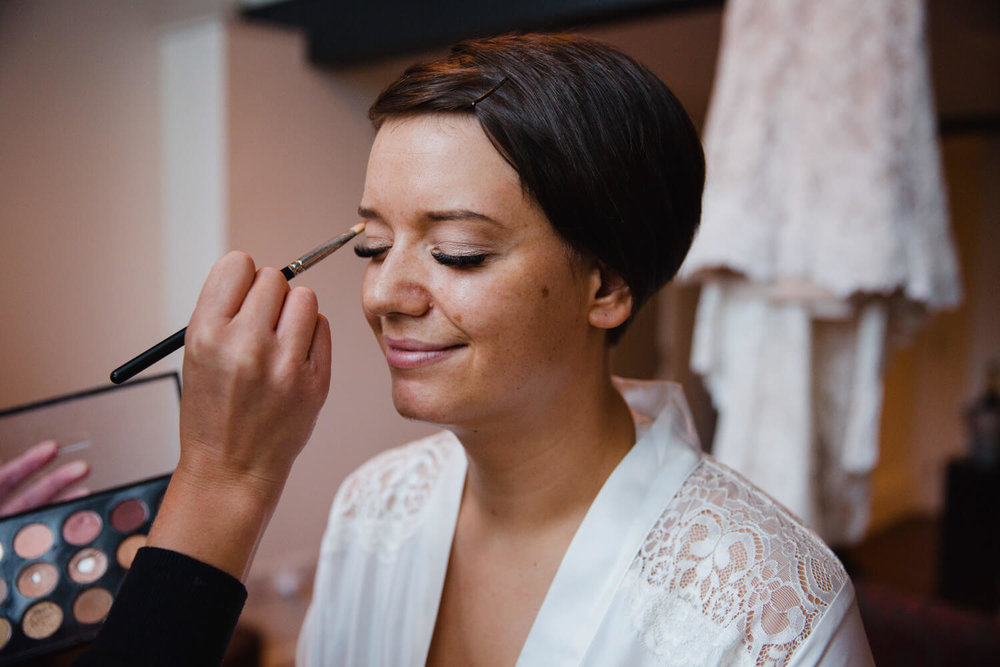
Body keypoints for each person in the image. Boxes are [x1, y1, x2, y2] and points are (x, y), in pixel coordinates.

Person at [77, 33, 873, 665]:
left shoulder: (772, 611)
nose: (386, 293)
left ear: (606, 287)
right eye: (373, 246)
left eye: (457, 251)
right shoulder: (373, 507)